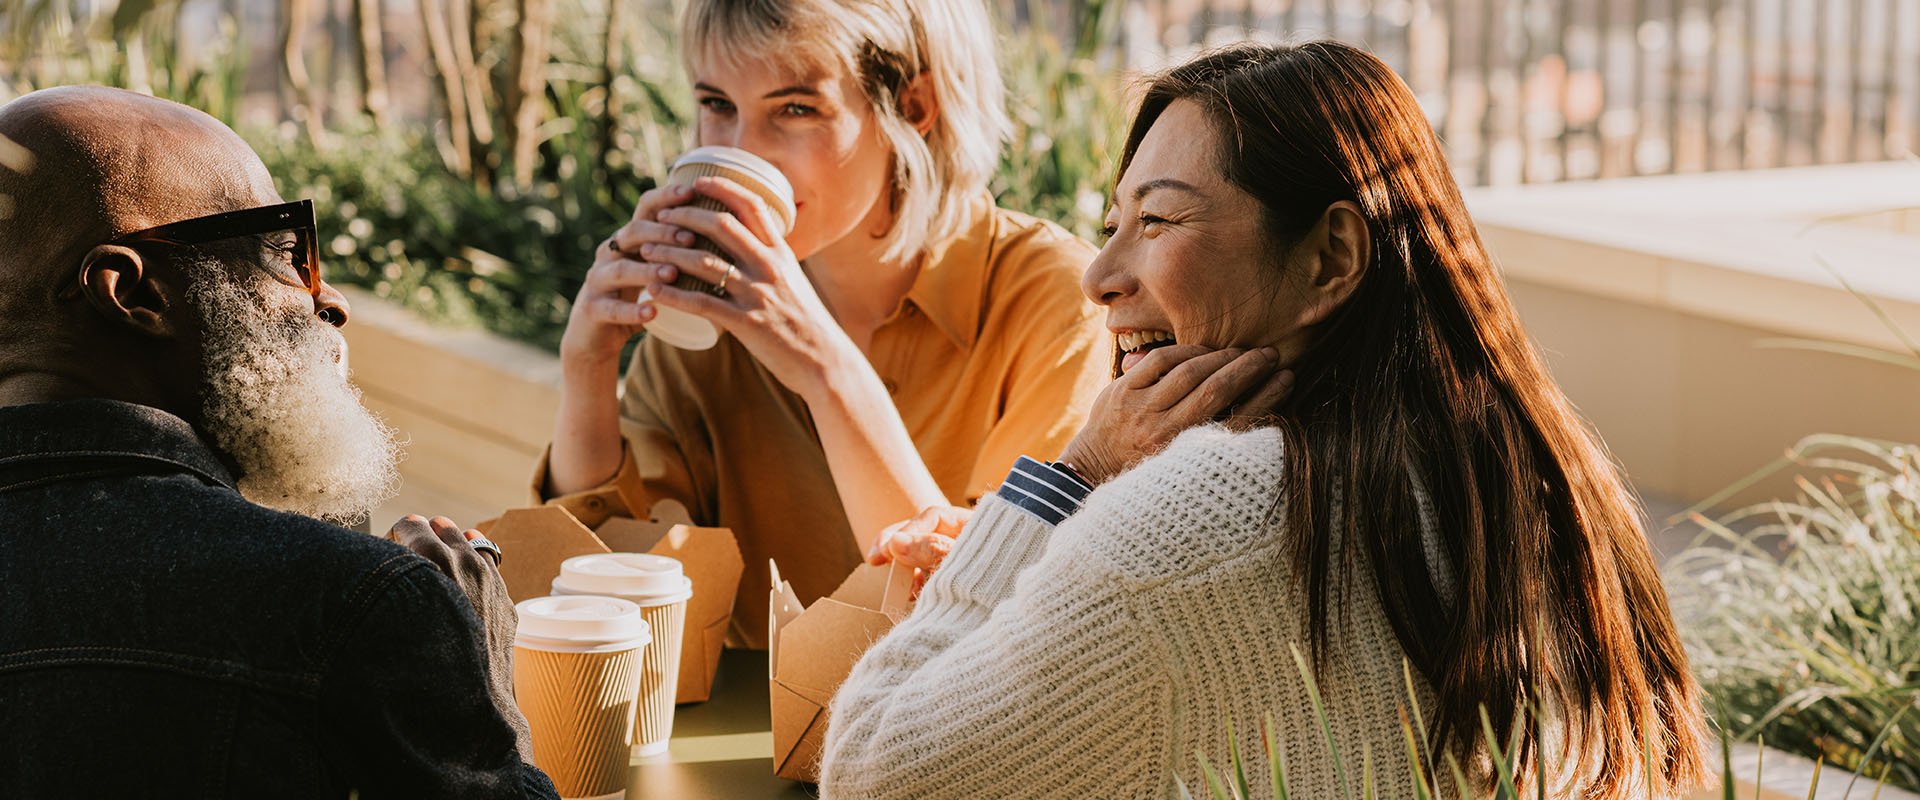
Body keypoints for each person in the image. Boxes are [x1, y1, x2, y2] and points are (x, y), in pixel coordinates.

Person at [822, 42, 1710, 799]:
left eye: (1159, 219)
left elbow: (873, 772)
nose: (1099, 277)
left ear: (1331, 259)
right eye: (1112, 223)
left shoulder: (1207, 515)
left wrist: (1073, 474)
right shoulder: (1540, 474)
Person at [0, 87, 558, 799]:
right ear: (134, 295)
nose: (329, 299)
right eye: (284, 250)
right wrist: (479, 675)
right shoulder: (352, 602)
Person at [540, 0, 1110, 645]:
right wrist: (586, 369)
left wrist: (826, 370)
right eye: (717, 104)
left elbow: (990, 621)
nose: (741, 150)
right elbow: (602, 585)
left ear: (915, 107)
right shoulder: (706, 310)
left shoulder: (1058, 299)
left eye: (795, 109)